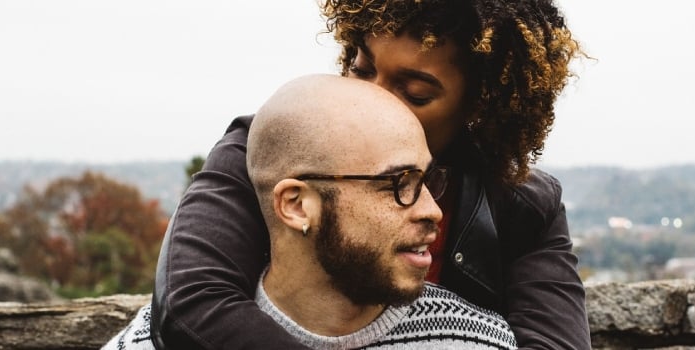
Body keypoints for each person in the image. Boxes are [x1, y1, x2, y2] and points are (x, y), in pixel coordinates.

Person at [151, 0, 590, 349]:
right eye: (362, 69)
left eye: (414, 92)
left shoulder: (524, 205)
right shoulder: (269, 150)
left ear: (478, 107)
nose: (371, 97)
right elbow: (190, 305)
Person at [104, 74, 518, 349]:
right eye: (398, 184)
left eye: (428, 181)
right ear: (297, 205)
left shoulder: (478, 341)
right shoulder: (148, 344)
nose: (433, 211)